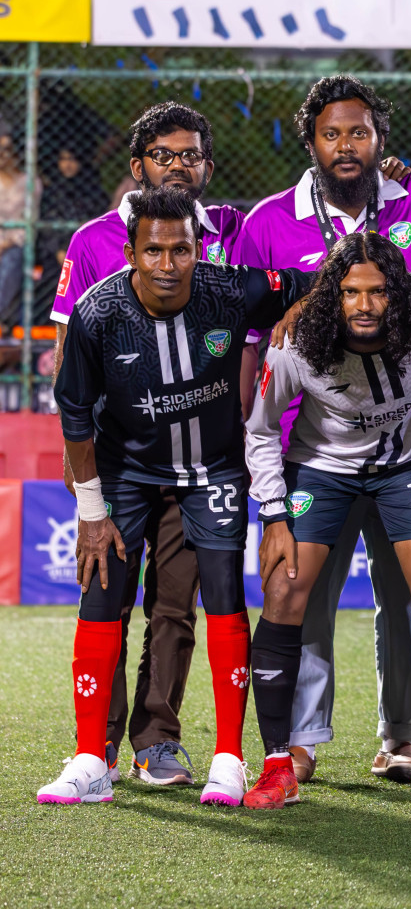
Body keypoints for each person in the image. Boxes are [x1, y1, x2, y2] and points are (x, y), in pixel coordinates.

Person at [231, 75, 411, 785]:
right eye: (331, 133)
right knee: (303, 593)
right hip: (311, 437)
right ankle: (299, 740)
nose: (345, 145)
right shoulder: (267, 221)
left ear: (382, 140)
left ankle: (407, 736)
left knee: (410, 594)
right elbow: (250, 337)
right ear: (311, 142)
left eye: (359, 132)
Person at [38, 187, 312, 807]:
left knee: (220, 596)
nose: (168, 264)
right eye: (153, 250)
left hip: (213, 469)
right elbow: (75, 418)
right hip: (126, 472)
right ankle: (89, 759)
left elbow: (326, 277)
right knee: (106, 592)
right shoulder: (96, 312)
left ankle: (228, 758)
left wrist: (298, 308)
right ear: (130, 251)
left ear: (198, 249)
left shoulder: (234, 289)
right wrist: (91, 514)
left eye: (181, 250)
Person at [50, 102, 245, 790]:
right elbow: (65, 369)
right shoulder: (94, 240)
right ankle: (96, 745)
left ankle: (158, 741)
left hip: (204, 454)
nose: (179, 164)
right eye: (165, 153)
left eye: (192, 154)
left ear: (208, 166)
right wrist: (89, 497)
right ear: (139, 166)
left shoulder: (233, 232)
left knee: (176, 603)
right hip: (122, 456)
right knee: (109, 590)